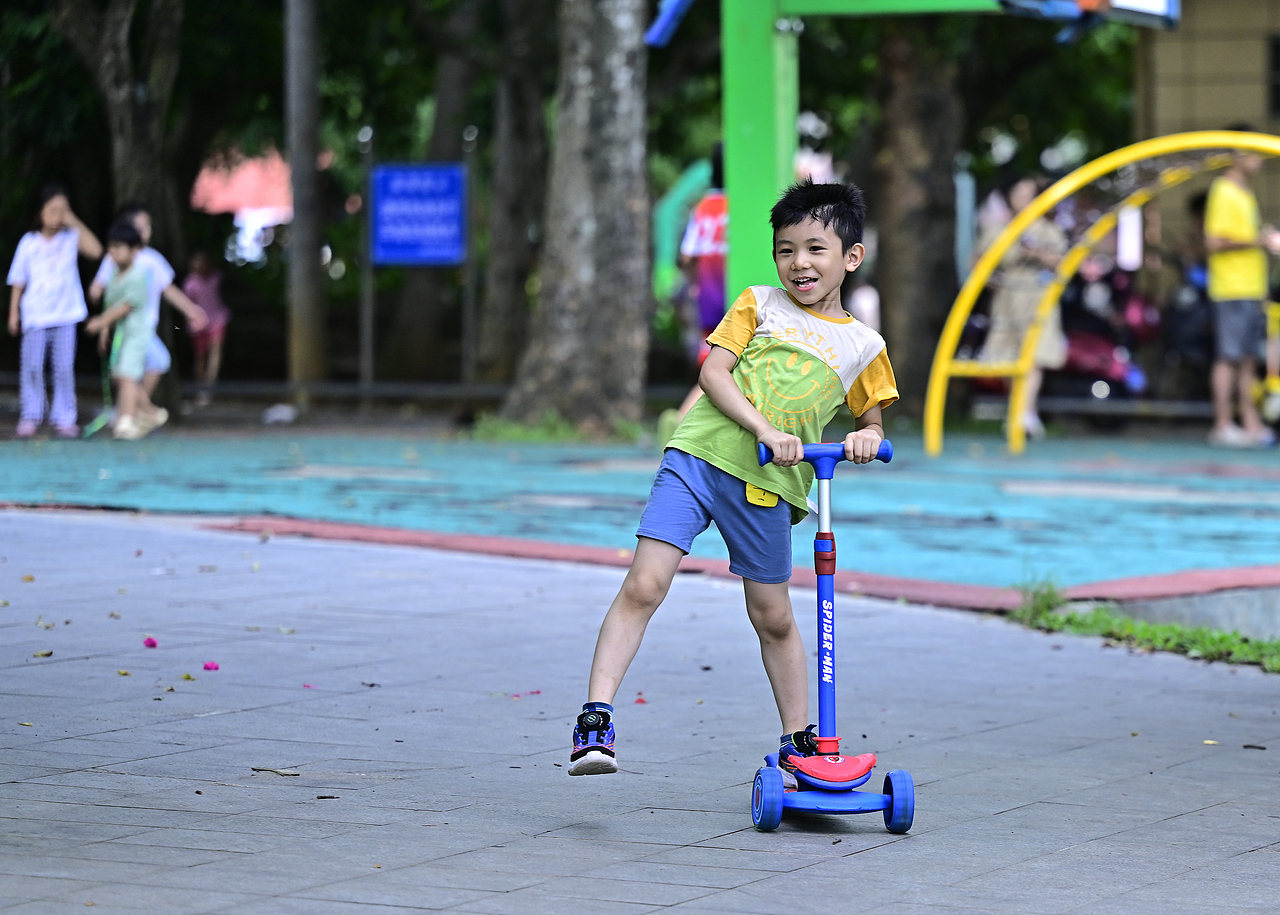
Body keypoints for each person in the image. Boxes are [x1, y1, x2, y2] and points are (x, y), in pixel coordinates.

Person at [569, 179, 898, 778]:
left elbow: (870, 421)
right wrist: (765, 429)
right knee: (645, 584)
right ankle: (596, 717)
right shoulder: (758, 303)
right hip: (697, 458)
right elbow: (715, 373)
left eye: (816, 248)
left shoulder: (863, 345)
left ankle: (802, 744)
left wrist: (863, 439)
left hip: (768, 486)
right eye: (786, 249)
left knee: (772, 615)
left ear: (851, 257)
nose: (799, 262)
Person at [88, 203, 207, 420]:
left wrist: (191, 310)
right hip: (125, 326)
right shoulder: (114, 257)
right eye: (143, 226)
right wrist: (96, 292)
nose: (148, 231)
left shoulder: (152, 259)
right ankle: (133, 412)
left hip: (145, 326)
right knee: (140, 368)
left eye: (148, 226)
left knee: (140, 368)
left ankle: (130, 411)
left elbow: (168, 289)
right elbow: (101, 283)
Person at [5, 184, 103, 438]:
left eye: (63, 210)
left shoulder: (71, 238)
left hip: (66, 315)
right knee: (33, 366)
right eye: (53, 210)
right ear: (40, 212)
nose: (57, 215)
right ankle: (31, 415)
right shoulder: (28, 243)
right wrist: (13, 313)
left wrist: (73, 221)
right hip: (35, 315)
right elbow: (18, 281)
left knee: (63, 368)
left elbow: (96, 250)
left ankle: (63, 417)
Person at [977, 176, 1068, 440]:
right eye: (1020, 193)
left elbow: (1062, 261)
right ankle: (1023, 410)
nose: (1025, 198)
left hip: (1037, 296)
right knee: (1008, 357)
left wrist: (1034, 253)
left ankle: (1022, 413)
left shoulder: (1048, 230)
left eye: (1030, 193)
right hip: (1007, 298)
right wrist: (992, 281)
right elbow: (980, 263)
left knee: (1033, 355)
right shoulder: (998, 228)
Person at [1203, 135, 1280, 447]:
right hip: (1231, 287)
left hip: (1249, 287)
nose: (1260, 160)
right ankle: (1222, 424)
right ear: (1236, 155)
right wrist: (1260, 241)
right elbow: (1214, 242)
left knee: (1247, 359)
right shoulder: (1223, 191)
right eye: (1254, 154)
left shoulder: (1245, 194)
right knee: (1228, 357)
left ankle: (1250, 423)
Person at [657, 145, 728, 447]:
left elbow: (687, 257)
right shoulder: (744, 205)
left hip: (708, 300)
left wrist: (695, 285)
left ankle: (688, 425)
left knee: (716, 364)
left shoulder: (704, 207)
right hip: (736, 298)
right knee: (729, 366)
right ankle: (685, 422)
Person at [85, 221, 154, 440]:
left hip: (136, 333)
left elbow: (125, 307)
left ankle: (127, 419)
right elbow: (110, 305)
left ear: (135, 250)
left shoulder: (139, 275)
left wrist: (100, 322)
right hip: (119, 335)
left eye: (120, 247)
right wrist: (105, 332)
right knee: (120, 375)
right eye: (111, 246)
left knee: (127, 375)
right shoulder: (113, 276)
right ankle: (149, 412)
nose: (113, 252)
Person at [181, 251, 230, 406]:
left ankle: (209, 388)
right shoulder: (190, 284)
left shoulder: (216, 278)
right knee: (200, 357)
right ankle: (201, 390)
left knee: (216, 352)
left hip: (217, 319)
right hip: (199, 324)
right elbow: (187, 306)